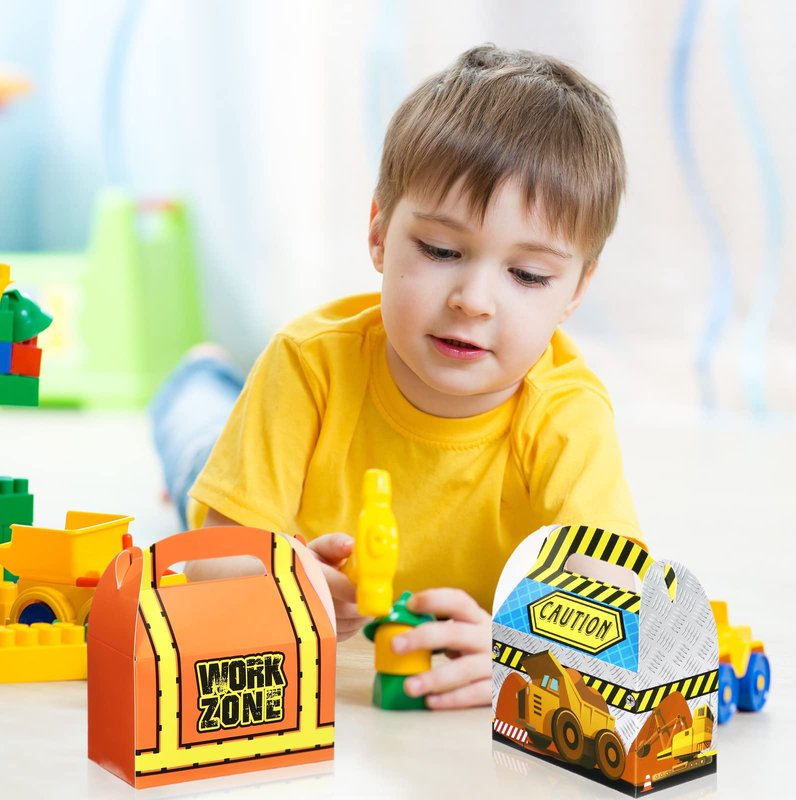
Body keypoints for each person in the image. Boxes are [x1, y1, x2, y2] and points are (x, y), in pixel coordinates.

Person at [150, 44, 642, 710]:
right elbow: (214, 559)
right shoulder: (306, 362)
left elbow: (616, 603)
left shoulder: (566, 414)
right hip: (261, 483)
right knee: (196, 441)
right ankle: (199, 374)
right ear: (379, 233)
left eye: (527, 275)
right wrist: (283, 582)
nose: (474, 300)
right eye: (441, 250)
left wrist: (519, 652)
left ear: (576, 289)